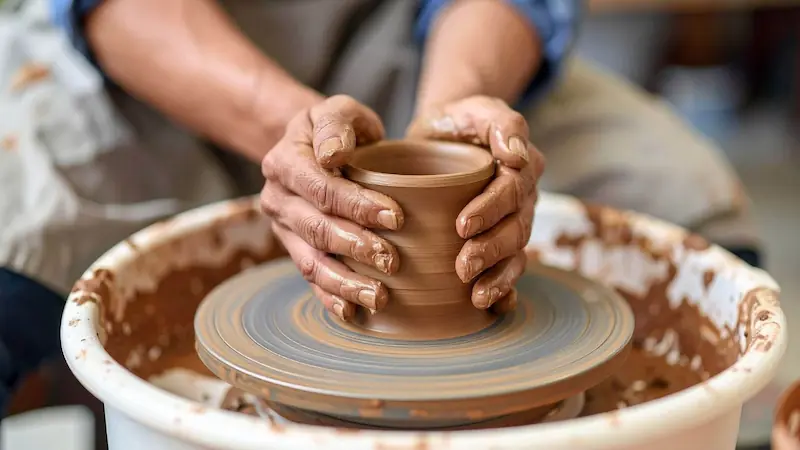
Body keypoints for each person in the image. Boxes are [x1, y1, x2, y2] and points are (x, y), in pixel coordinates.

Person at [0, 0, 760, 414]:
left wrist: (456, 107)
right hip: (142, 55)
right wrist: (288, 127)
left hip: (415, 40)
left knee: (689, 212)